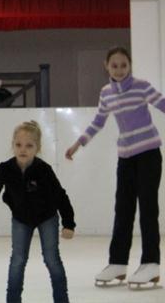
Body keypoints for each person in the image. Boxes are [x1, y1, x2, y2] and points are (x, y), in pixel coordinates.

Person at [65, 46, 163, 288]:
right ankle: (118, 263)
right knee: (123, 210)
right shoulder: (106, 92)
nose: (119, 70)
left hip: (149, 155)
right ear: (106, 67)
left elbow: (163, 103)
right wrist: (78, 143)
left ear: (130, 66)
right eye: (114, 66)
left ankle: (151, 264)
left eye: (124, 65)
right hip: (126, 157)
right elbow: (98, 121)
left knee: (148, 209)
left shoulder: (141, 86)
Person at [0, 120, 75, 303]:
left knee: (51, 259)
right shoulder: (5, 168)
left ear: (37, 148)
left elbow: (60, 196)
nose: (23, 149)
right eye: (19, 145)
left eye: (29, 146)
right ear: (13, 145)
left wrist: (68, 223)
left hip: (47, 217)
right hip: (21, 219)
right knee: (18, 260)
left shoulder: (44, 170)